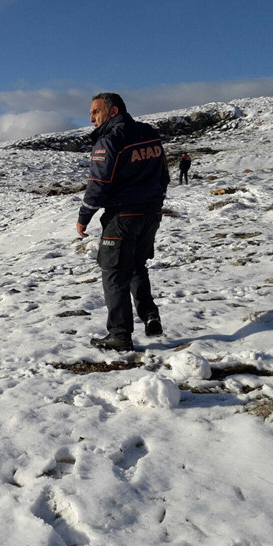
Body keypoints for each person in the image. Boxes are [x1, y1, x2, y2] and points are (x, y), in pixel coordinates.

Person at [76, 93, 170, 352]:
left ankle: (119, 335)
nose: (91, 118)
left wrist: (83, 217)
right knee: (136, 265)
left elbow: (99, 185)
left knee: (114, 272)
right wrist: (156, 202)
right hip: (150, 214)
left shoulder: (109, 140)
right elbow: (164, 172)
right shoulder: (148, 132)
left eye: (95, 112)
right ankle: (150, 314)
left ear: (113, 111)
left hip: (123, 216)